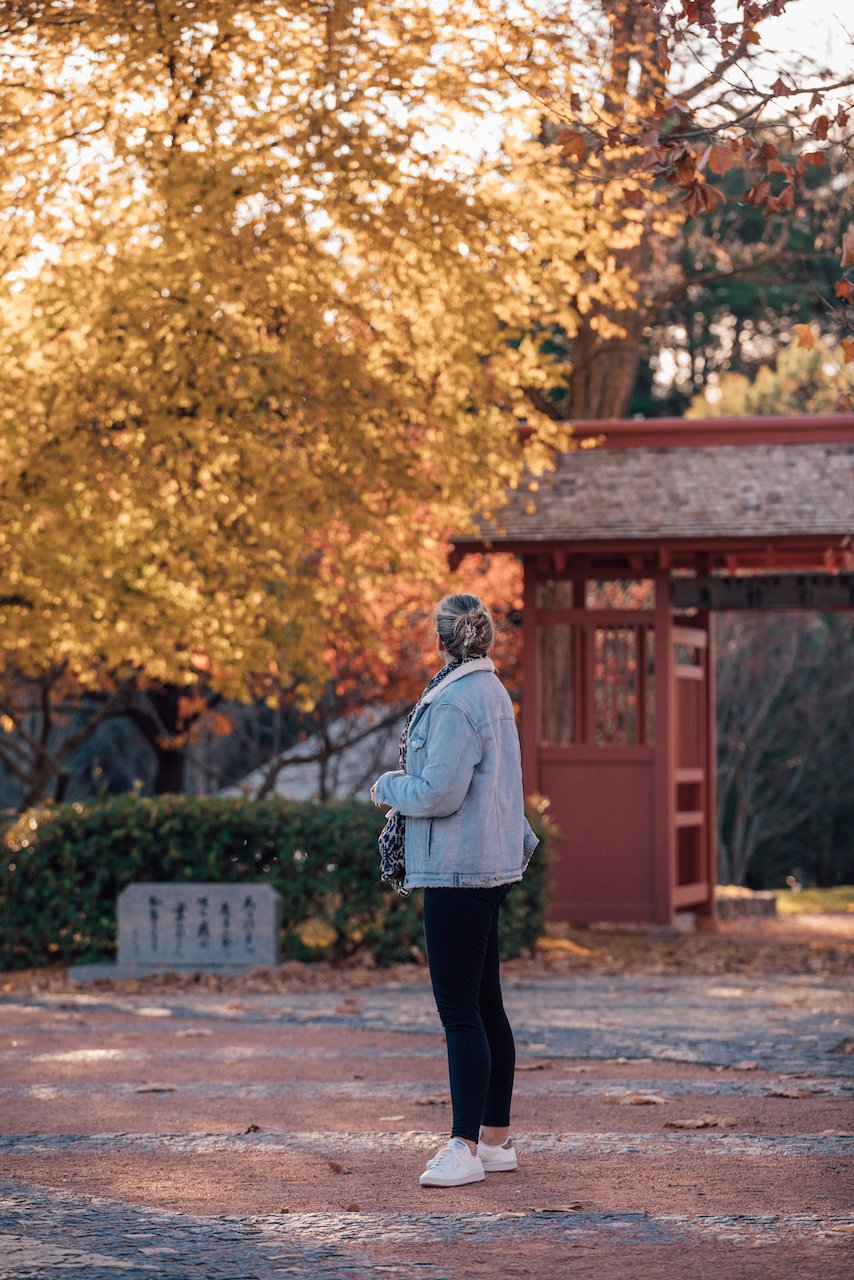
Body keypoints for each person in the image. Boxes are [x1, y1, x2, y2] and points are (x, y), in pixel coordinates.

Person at [371, 593, 538, 1188]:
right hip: (491, 863)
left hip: (456, 868)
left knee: (459, 1012)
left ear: (440, 641)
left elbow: (438, 793)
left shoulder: (453, 700)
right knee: (486, 1005)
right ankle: (495, 1140)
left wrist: (388, 785)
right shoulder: (493, 693)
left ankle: (464, 1146)